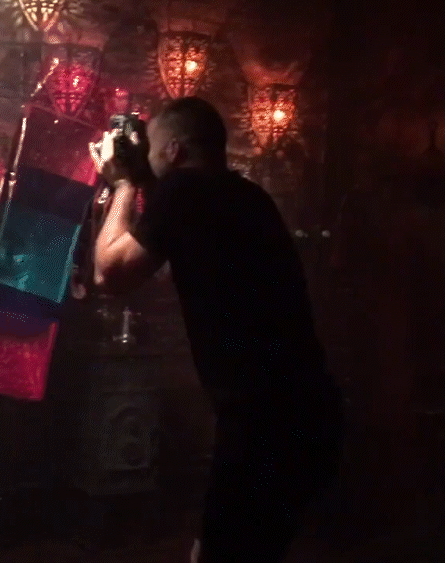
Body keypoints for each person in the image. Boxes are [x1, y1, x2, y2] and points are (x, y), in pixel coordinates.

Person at [89, 97, 341, 563]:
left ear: (175, 152)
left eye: (155, 149)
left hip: (265, 420)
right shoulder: (245, 196)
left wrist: (123, 184)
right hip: (304, 411)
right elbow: (176, 221)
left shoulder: (184, 191)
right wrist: (145, 180)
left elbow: (111, 274)